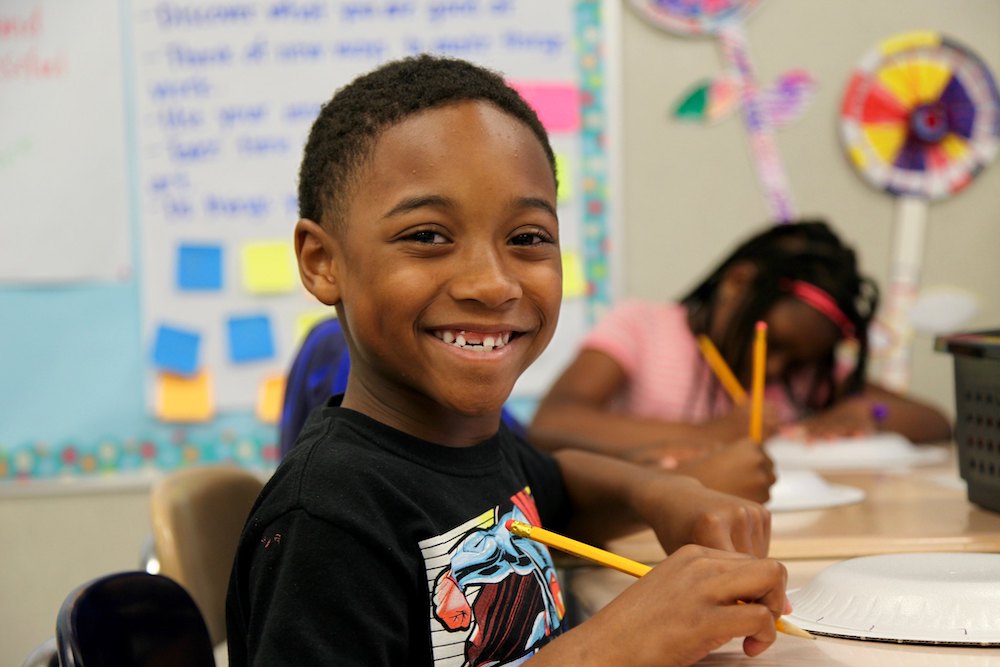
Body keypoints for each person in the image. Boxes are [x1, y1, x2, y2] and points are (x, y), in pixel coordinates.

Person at [226, 54, 790, 667]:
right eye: (427, 236)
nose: (493, 285)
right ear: (321, 262)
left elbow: (560, 482)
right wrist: (610, 648)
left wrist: (664, 494)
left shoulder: (473, 448)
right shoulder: (329, 518)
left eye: (526, 239)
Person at [530, 220, 952, 489]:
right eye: (774, 343)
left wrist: (867, 412)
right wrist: (711, 435)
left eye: (799, 360)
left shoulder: (801, 376)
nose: (774, 367)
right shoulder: (643, 328)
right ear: (736, 283)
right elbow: (554, 422)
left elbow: (937, 423)